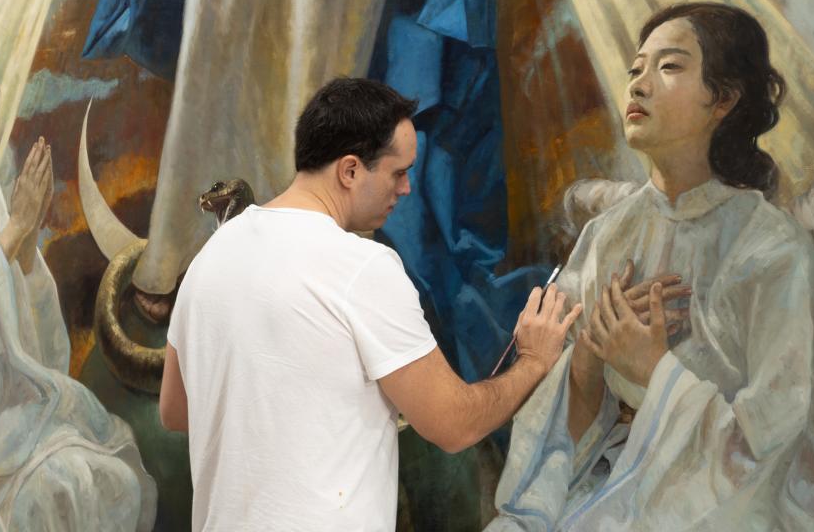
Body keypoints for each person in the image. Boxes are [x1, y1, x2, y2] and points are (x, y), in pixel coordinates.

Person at [488, 3, 814, 531]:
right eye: (635, 70)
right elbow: (562, 437)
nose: (639, 85)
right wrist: (592, 355)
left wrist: (652, 370)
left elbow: (774, 451)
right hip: (607, 490)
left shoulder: (769, 248)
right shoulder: (606, 235)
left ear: (723, 98)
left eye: (668, 67)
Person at [158, 77, 583, 531]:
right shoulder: (362, 265)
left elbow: (176, 409)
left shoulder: (211, 257)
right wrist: (535, 361)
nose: (406, 190)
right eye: (398, 173)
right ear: (350, 170)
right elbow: (453, 424)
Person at [0, 53, 157, 531]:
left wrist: (27, 245)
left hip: (8, 400)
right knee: (56, 488)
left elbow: (22, 306)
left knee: (113, 478)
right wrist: (14, 229)